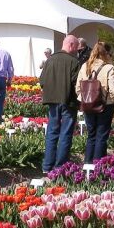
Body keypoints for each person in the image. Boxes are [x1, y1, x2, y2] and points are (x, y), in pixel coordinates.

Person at [39, 35, 80, 173]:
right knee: (66, 133)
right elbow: (77, 84)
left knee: (51, 132)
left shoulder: (50, 60)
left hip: (52, 100)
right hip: (68, 101)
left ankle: (47, 166)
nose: (77, 50)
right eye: (76, 47)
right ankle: (60, 166)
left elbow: (42, 81)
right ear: (71, 45)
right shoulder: (74, 62)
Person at [75, 42, 114, 163]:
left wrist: (84, 98)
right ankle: (99, 165)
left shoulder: (85, 66)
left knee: (91, 135)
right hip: (105, 104)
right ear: (105, 53)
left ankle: (88, 164)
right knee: (101, 136)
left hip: (88, 104)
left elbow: (78, 88)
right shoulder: (108, 67)